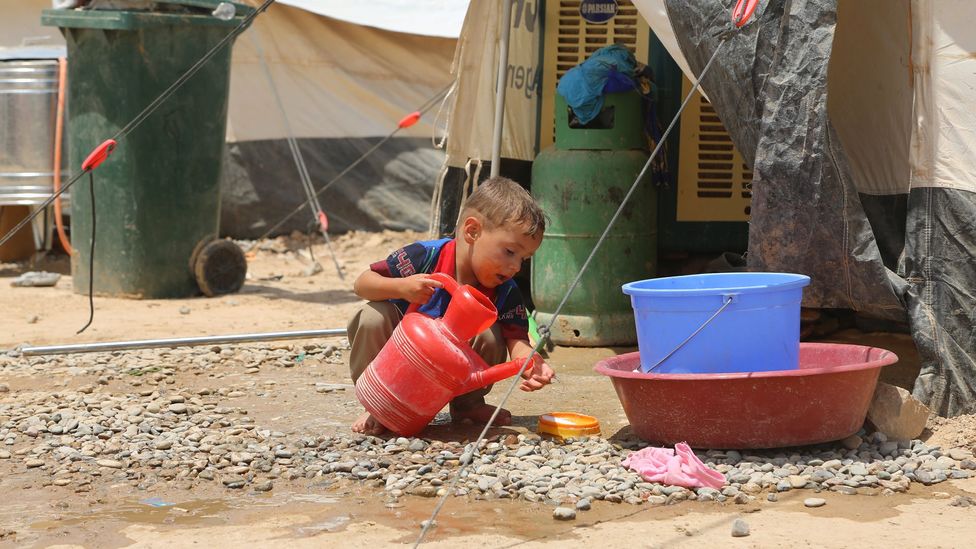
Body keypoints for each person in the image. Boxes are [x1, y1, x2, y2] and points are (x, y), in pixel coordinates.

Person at [346, 176, 555, 435]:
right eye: (510, 252)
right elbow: (362, 283)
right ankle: (377, 403)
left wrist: (530, 361)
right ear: (472, 231)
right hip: (398, 357)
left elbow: (517, 340)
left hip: (449, 369)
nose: (515, 267)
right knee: (372, 316)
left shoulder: (505, 290)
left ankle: (467, 405)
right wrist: (402, 287)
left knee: (491, 334)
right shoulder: (425, 256)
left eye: (524, 259)